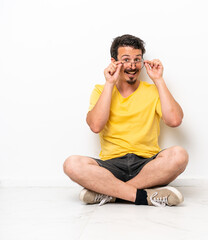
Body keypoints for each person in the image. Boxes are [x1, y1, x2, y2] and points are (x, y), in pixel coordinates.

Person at [63, 34, 188, 207]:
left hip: (146, 165)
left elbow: (174, 120)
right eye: (126, 59)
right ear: (114, 62)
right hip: (110, 166)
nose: (132, 65)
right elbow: (95, 125)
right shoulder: (101, 90)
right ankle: (144, 197)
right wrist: (109, 83)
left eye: (137, 59)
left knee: (179, 155)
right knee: (72, 164)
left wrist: (159, 80)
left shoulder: (153, 90)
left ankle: (109, 193)